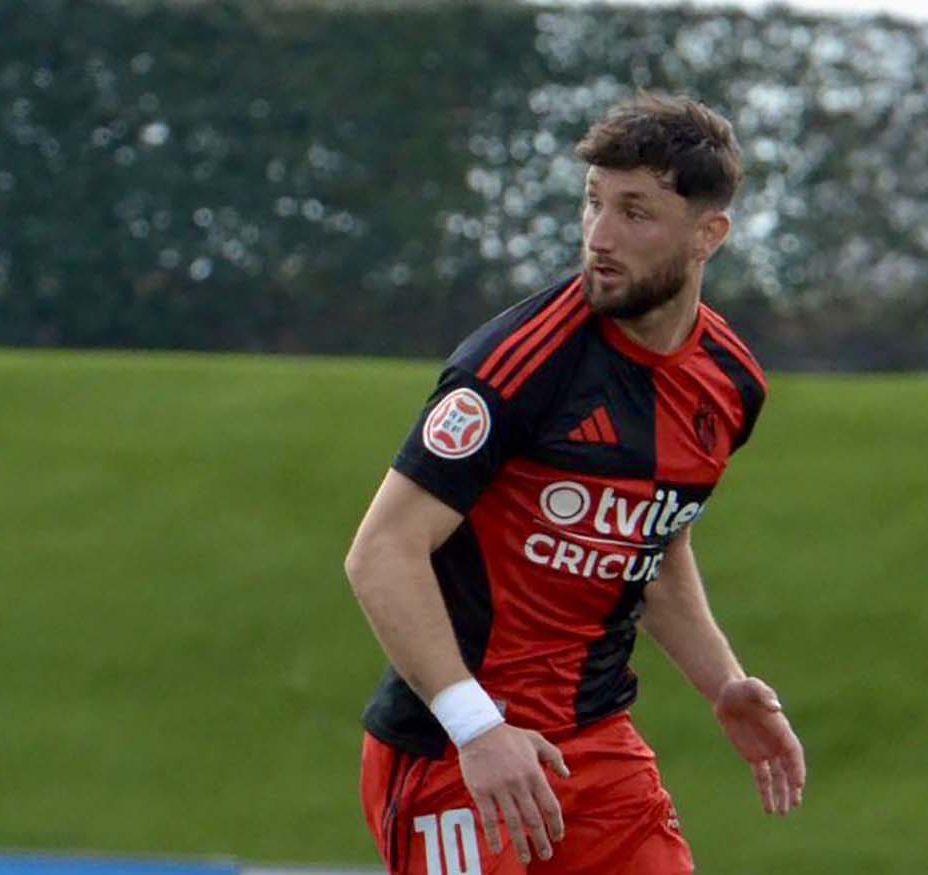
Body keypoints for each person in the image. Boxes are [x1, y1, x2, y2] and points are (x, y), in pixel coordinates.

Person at [345, 92, 805, 875]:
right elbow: (383, 551)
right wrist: (477, 727)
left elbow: (653, 543)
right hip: (457, 753)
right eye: (593, 203)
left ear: (709, 235)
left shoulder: (729, 383)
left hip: (593, 744)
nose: (599, 236)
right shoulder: (515, 365)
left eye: (635, 212)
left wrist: (722, 681)